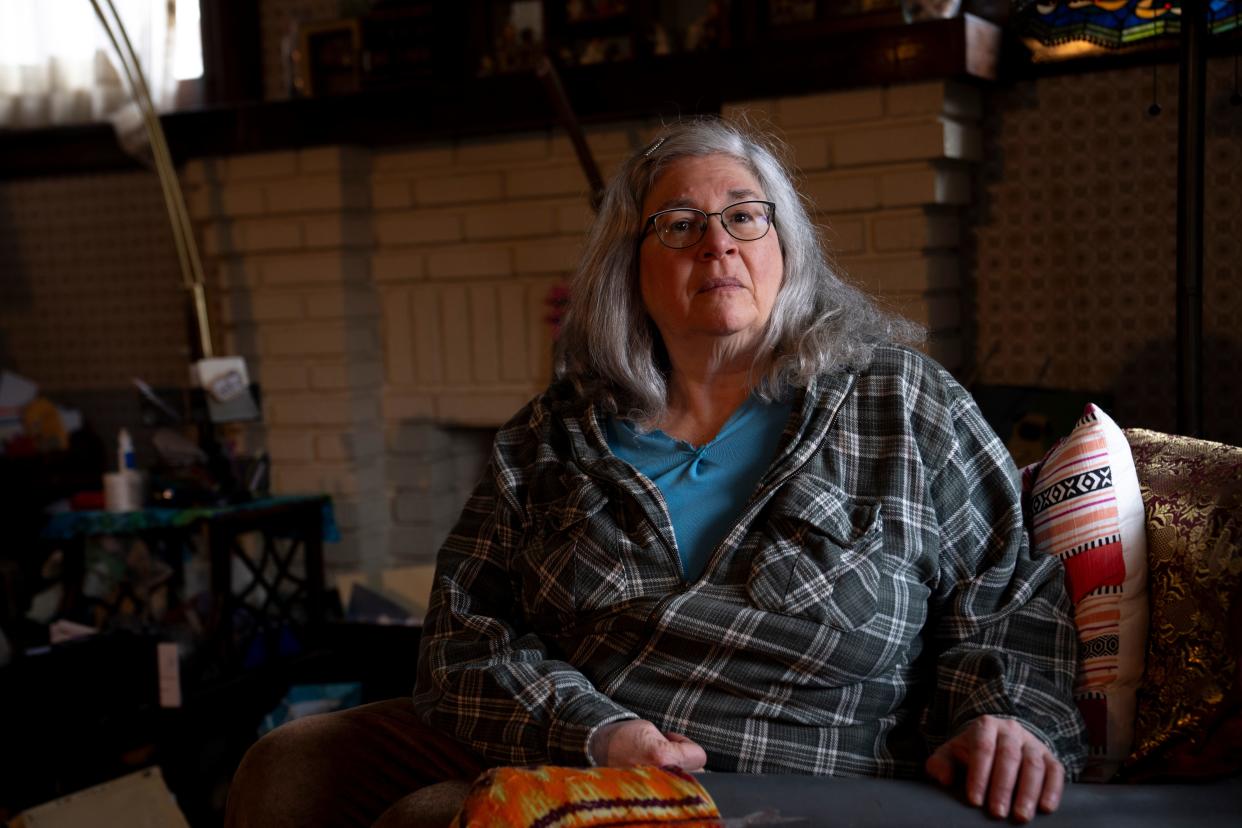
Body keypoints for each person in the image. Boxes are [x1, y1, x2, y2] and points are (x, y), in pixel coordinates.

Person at [225, 118, 1086, 827]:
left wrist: (1001, 716)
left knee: (435, 818)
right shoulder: (552, 435)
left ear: (786, 246)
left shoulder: (900, 400)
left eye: (746, 216)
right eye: (678, 225)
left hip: (795, 760)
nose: (717, 243)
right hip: (574, 733)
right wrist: (597, 733)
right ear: (627, 269)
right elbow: (461, 637)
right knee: (289, 767)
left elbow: (1008, 590)